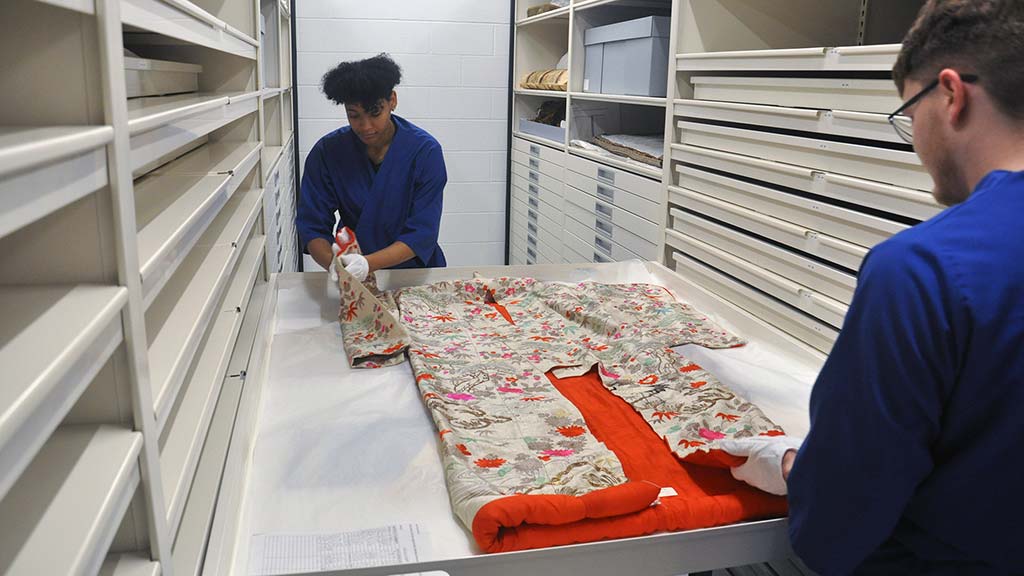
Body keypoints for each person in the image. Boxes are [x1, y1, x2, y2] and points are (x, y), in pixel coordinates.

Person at [719, 1, 1024, 574]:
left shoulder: (924, 270)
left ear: (951, 95)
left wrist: (792, 467)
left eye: (909, 112)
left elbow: (836, 529)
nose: (914, 139)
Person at [297, 54, 447, 281]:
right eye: (354, 116)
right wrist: (336, 266)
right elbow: (312, 225)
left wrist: (367, 264)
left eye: (375, 112)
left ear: (392, 101)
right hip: (352, 268)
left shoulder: (425, 152)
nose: (366, 126)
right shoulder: (327, 153)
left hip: (414, 271)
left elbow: (422, 232)